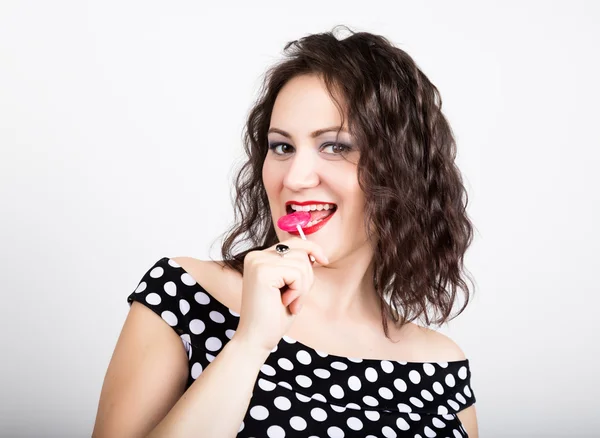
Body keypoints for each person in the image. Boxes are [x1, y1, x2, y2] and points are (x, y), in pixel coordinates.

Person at [93, 26, 479, 438]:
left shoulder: (441, 368)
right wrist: (250, 344)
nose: (294, 178)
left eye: (335, 146)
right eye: (282, 147)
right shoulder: (184, 297)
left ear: (400, 171)